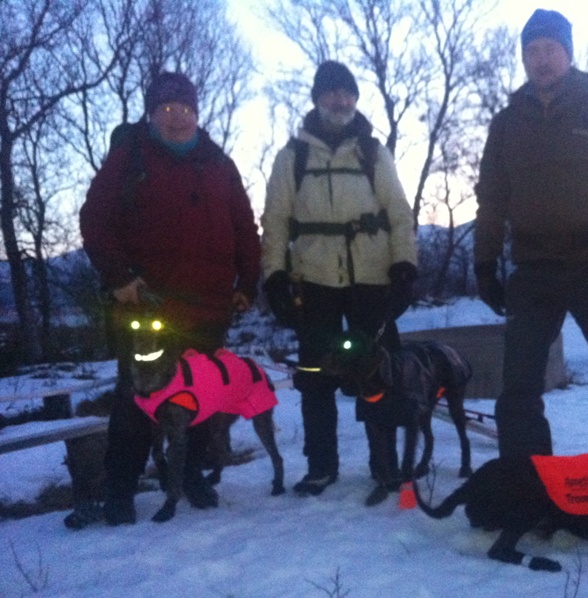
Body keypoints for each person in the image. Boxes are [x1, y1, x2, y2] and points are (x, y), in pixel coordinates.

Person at [473, 9, 588, 458]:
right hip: (534, 271)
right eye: (532, 51)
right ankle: (526, 484)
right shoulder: (507, 124)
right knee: (518, 390)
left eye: (550, 49)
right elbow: (492, 199)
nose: (541, 59)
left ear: (568, 53)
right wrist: (484, 263)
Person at [80, 71, 261, 525]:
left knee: (199, 396)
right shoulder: (130, 157)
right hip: (148, 306)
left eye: (185, 109)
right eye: (166, 109)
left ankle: (190, 477)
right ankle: (119, 489)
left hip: (208, 308)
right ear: (151, 114)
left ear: (196, 113)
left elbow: (244, 227)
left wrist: (248, 283)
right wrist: (119, 277)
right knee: (137, 400)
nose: (177, 117)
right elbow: (95, 219)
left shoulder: (219, 163)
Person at [261, 60, 418, 497]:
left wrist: (404, 267)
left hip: (372, 275)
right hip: (314, 278)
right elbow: (275, 221)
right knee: (314, 374)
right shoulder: (292, 158)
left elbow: (399, 212)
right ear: (316, 98)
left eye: (347, 93)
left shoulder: (373, 153)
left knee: (380, 372)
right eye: (331, 93)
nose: (340, 100)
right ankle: (321, 465)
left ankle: (386, 464)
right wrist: (274, 276)